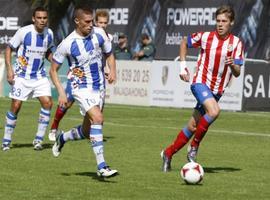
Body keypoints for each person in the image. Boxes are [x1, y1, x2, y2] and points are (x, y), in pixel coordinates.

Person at [161, 5, 244, 172]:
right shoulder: (206, 37)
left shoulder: (236, 43)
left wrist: (232, 65)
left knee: (193, 126)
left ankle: (168, 153)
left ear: (231, 23)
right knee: (214, 111)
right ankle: (194, 148)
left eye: (224, 21)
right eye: (218, 21)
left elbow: (236, 73)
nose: (220, 24)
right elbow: (184, 42)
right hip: (200, 82)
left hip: (217, 90)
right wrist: (183, 67)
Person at [49, 6, 118, 177]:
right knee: (98, 118)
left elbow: (109, 54)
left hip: (99, 86)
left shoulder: (100, 33)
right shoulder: (67, 43)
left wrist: (113, 70)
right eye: (87, 22)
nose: (90, 25)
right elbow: (53, 70)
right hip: (81, 87)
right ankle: (102, 166)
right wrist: (61, 92)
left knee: (88, 131)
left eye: (92, 21)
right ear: (77, 21)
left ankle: (62, 138)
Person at [1, 7, 55, 151]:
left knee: (48, 103)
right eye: (39, 18)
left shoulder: (49, 33)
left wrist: (55, 61)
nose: (42, 21)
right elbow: (9, 48)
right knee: (16, 106)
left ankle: (38, 140)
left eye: (44, 18)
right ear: (33, 19)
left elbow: (48, 51)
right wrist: (9, 69)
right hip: (21, 75)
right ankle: (6, 141)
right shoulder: (24, 32)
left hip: (39, 76)